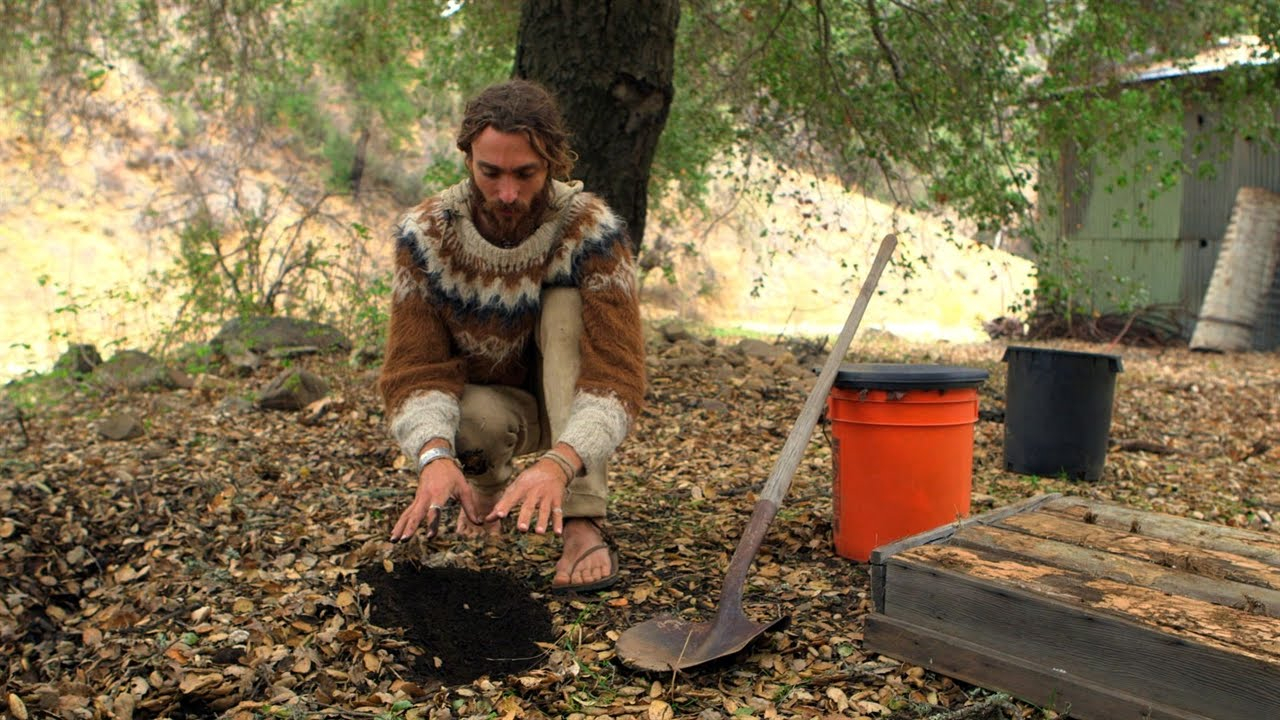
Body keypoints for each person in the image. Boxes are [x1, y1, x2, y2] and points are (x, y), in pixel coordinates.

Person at [378, 79, 646, 592]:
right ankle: (487, 485)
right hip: (496, 406)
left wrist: (560, 463)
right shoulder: (426, 235)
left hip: (571, 398)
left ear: (553, 161)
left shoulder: (591, 230)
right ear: (467, 159)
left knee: (564, 307)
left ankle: (582, 520)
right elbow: (414, 370)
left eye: (525, 174)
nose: (507, 193)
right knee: (469, 420)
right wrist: (434, 455)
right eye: (490, 172)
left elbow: (617, 378)